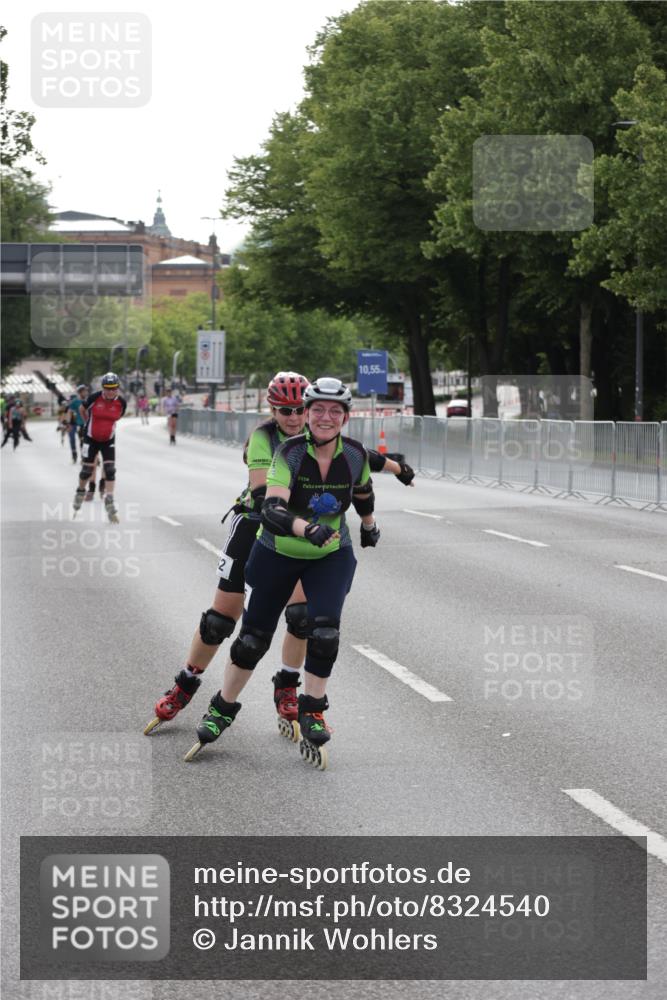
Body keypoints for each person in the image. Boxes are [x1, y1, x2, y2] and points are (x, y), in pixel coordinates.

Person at [143, 372, 415, 742]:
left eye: (296, 411)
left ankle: (288, 684)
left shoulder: (322, 437)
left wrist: (399, 469)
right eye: (284, 410)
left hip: (297, 536)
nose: (292, 417)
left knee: (303, 618)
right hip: (257, 524)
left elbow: (361, 457)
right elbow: (260, 496)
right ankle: (186, 683)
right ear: (272, 410)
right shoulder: (266, 439)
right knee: (220, 622)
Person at [184, 377, 379, 770]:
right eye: (318, 410)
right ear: (307, 414)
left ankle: (313, 708)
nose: (326, 417)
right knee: (252, 641)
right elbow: (271, 510)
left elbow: (363, 491)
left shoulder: (355, 454)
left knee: (322, 631)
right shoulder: (288, 454)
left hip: (330, 554)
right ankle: (223, 706)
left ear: (345, 417)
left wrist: (368, 523)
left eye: (335, 411)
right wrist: (306, 528)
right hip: (277, 552)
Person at [71, 372, 126, 523]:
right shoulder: (94, 398)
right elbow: (82, 410)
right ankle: (80, 491)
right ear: (103, 388)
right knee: (87, 470)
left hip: (108, 439)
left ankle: (110, 499)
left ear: (117, 388)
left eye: (113, 388)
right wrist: (87, 423)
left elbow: (118, 417)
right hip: (91, 438)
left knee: (110, 469)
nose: (110, 391)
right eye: (107, 388)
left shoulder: (121, 402)